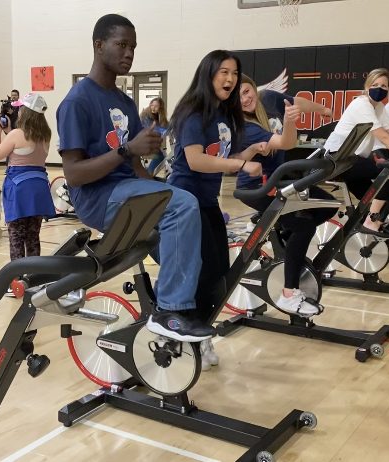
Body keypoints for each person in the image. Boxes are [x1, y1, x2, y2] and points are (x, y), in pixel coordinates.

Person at [57, 14, 212, 342]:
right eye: (122, 45)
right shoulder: (76, 101)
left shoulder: (125, 102)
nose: (129, 53)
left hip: (125, 187)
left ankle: (178, 308)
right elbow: (73, 174)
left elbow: (136, 168)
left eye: (133, 47)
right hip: (97, 197)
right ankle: (169, 311)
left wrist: (159, 184)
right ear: (99, 46)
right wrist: (127, 149)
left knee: (183, 211)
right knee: (181, 204)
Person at [167, 51, 266, 369]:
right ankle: (184, 332)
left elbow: (223, 157)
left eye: (235, 73)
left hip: (209, 201)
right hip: (184, 202)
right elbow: (196, 160)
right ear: (208, 74)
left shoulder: (224, 116)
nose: (230, 79)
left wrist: (250, 152)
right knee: (201, 270)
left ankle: (199, 330)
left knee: (220, 271)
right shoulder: (193, 113)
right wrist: (240, 164)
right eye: (224, 72)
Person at [235, 73, 336, 317]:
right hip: (256, 186)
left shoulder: (269, 98)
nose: (245, 99)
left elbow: (297, 103)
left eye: (246, 91)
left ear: (254, 88)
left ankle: (283, 236)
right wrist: (290, 122)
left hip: (280, 180)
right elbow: (286, 142)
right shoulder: (244, 126)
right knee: (303, 226)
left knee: (328, 205)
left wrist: (322, 109)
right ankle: (289, 294)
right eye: (237, 97)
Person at [323, 68, 389, 232]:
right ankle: (371, 221)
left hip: (351, 159)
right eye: (375, 85)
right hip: (337, 159)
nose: (379, 88)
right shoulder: (361, 105)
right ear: (367, 86)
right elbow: (383, 136)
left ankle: (367, 226)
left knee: (369, 199)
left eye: (384, 86)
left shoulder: (379, 107)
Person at [0, 92, 54, 262]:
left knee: (16, 236)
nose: (18, 111)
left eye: (21, 108)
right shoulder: (45, 134)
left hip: (19, 188)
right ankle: (34, 273)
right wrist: (8, 132)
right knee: (33, 236)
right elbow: (24, 146)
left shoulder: (17, 134)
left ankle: (17, 275)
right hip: (39, 187)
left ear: (26, 111)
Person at [140, 97, 169, 176]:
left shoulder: (159, 117)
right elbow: (154, 128)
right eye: (152, 105)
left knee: (162, 157)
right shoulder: (145, 116)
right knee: (158, 156)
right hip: (142, 141)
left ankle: (150, 174)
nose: (153, 108)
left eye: (156, 106)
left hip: (151, 142)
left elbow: (167, 126)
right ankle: (149, 174)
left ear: (160, 108)